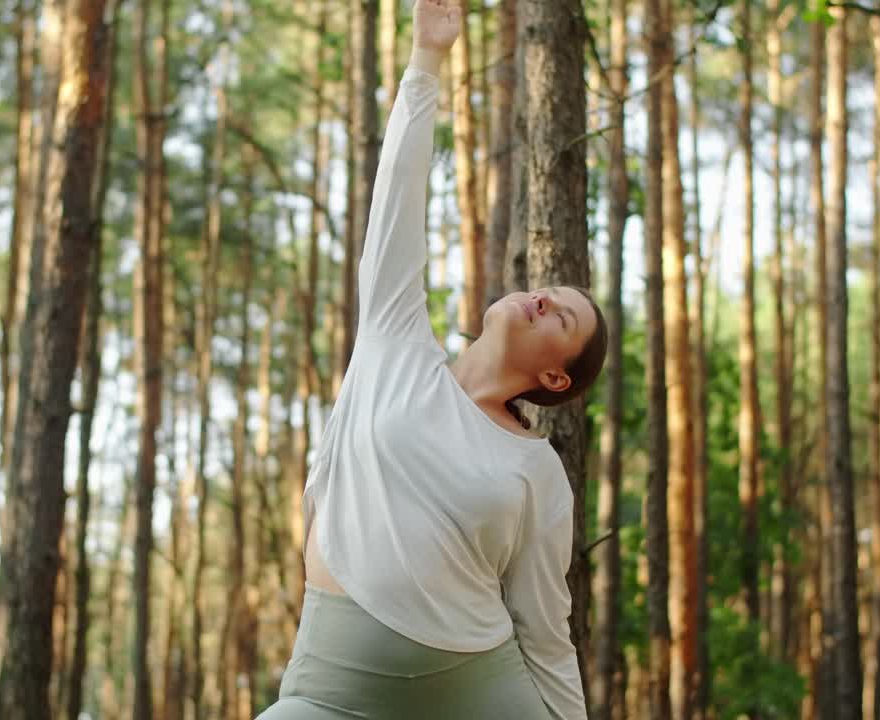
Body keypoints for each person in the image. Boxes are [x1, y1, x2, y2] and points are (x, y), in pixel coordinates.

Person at [256, 1, 606, 718]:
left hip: (477, 690)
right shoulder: (395, 344)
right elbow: (397, 203)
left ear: (555, 378)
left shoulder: (538, 471)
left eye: (560, 314)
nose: (540, 298)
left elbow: (545, 632)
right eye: (546, 290)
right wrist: (427, 61)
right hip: (334, 690)